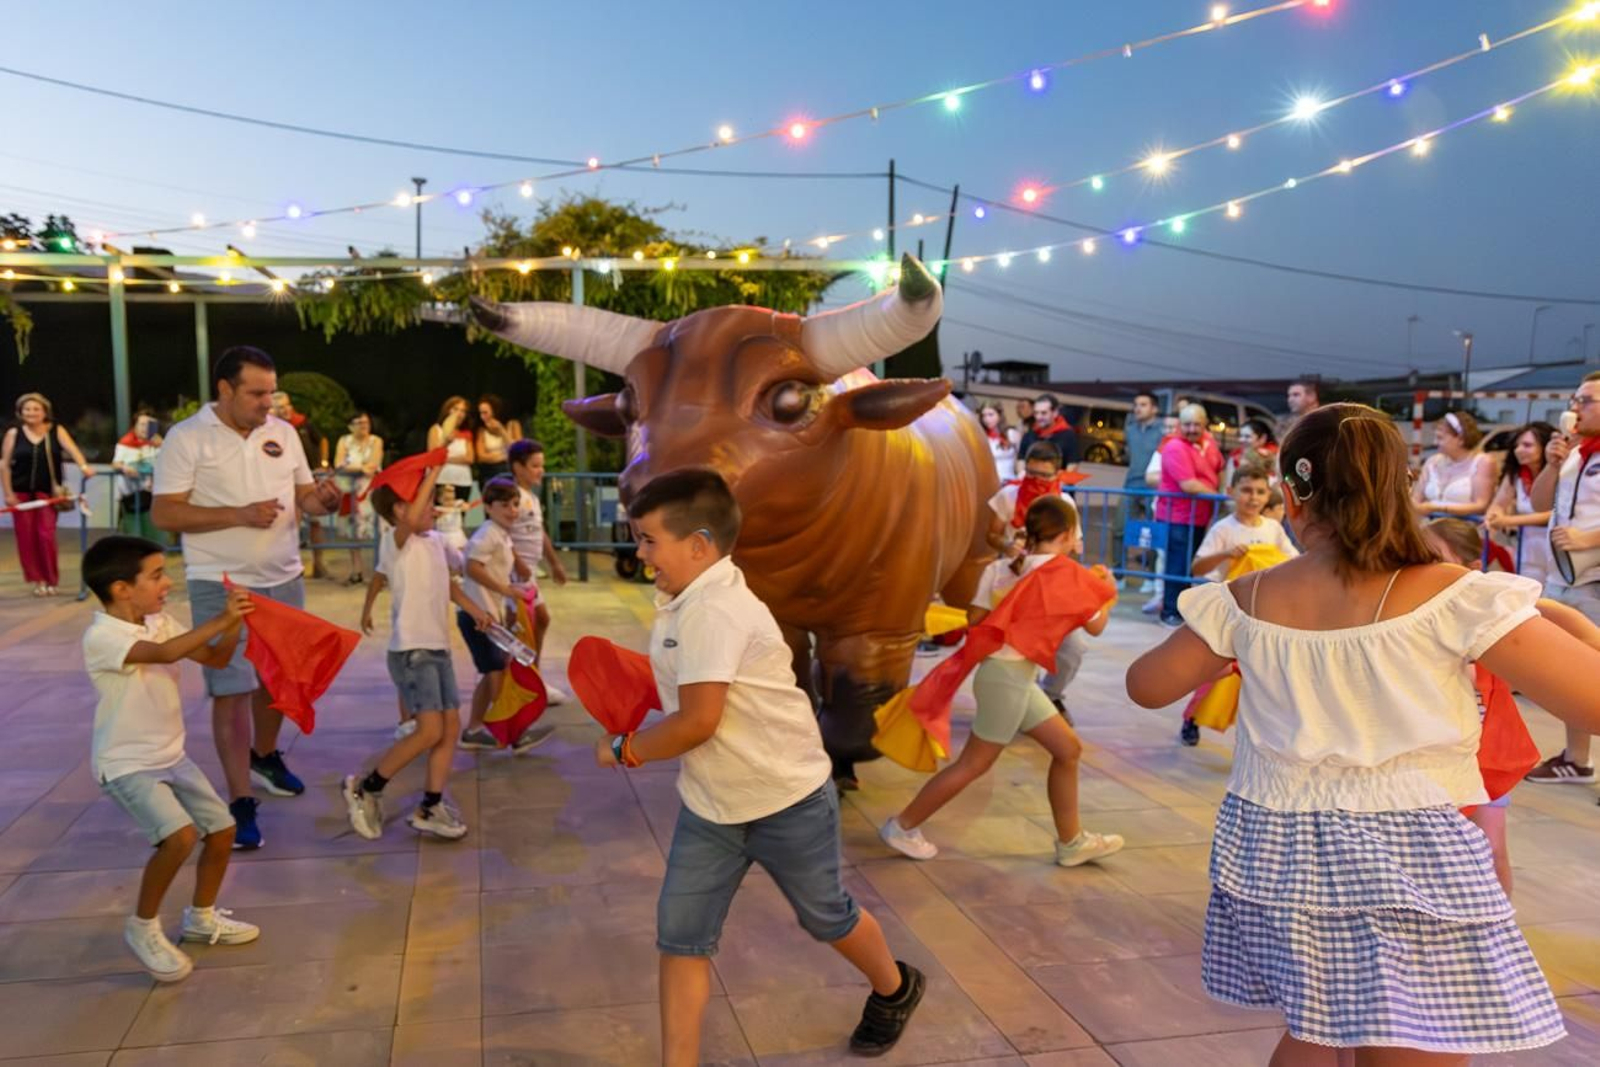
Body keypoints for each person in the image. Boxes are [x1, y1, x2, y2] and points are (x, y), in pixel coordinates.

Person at [1127, 403, 1600, 1062]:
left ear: (1292, 497)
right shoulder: (1455, 595)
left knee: (1317, 1024)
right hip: (1409, 854)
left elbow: (1146, 684)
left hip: (1277, 852)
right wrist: (1574, 628)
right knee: (1415, 1034)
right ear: (1400, 491)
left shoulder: (1247, 598)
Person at [593, 468, 926, 1061]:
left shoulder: (714, 610)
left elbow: (698, 722)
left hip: (787, 801)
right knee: (682, 937)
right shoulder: (689, 598)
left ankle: (895, 988)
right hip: (712, 805)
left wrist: (624, 748)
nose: (639, 553)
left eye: (649, 540)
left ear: (699, 546)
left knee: (827, 918)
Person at [152, 346, 344, 850]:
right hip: (220, 581)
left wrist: (322, 501)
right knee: (231, 688)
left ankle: (265, 755)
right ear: (225, 389)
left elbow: (303, 497)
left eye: (271, 392)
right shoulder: (187, 437)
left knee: (277, 679)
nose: (268, 403)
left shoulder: (283, 433)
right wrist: (237, 515)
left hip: (283, 576)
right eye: (257, 393)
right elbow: (165, 513)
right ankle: (239, 799)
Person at [881, 495, 1123, 866]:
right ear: (1067, 534)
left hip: (1007, 675)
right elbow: (1097, 626)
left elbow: (976, 619)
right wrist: (1107, 590)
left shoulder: (1005, 568)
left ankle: (1072, 842)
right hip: (1008, 680)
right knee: (973, 764)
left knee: (1067, 749)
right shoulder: (1068, 574)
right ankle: (902, 826)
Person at [81, 536, 261, 982]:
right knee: (179, 837)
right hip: (126, 763)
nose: (167, 583)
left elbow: (215, 658)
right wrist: (222, 617)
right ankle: (142, 927)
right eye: (157, 575)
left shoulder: (159, 622)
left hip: (170, 754)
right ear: (122, 588)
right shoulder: (103, 636)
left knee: (222, 831)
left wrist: (235, 624)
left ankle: (201, 918)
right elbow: (163, 654)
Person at [345, 463, 491, 842]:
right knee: (429, 730)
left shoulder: (435, 542)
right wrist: (433, 470)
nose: (432, 507)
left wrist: (475, 610)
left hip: (437, 649)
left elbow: (449, 584)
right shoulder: (397, 541)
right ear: (400, 510)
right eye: (424, 501)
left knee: (449, 728)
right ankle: (367, 787)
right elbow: (391, 556)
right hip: (413, 652)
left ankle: (430, 805)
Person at [1178, 465, 1300, 746]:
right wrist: (1225, 554)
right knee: (1215, 672)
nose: (1253, 498)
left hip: (1263, 615)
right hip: (1229, 613)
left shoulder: (1273, 529)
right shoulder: (1223, 529)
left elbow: (1292, 561)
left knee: (1259, 677)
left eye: (1260, 492)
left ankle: (1257, 731)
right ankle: (1192, 718)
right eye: (1246, 490)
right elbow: (1197, 567)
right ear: (1231, 492)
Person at [1524, 371, 1600, 786]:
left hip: (1594, 576)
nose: (1576, 408)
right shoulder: (1574, 453)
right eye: (1576, 400)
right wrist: (1552, 466)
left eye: (1587, 400)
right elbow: (1540, 503)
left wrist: (1589, 538)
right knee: (1577, 673)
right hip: (1566, 575)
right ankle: (1577, 759)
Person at [983, 442, 1083, 718]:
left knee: (1073, 648)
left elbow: (1075, 546)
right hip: (1013, 584)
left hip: (1051, 587)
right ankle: (1021, 702)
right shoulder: (1008, 495)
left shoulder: (1065, 503)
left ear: (1057, 474)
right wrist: (1007, 546)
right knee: (1017, 653)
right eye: (1031, 473)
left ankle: (1051, 696)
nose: (1036, 480)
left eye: (1044, 475)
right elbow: (991, 534)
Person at [455, 479, 544, 751]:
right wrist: (505, 589)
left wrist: (509, 595)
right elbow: (472, 567)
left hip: (489, 616)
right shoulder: (488, 534)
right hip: (478, 617)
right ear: (488, 507)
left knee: (491, 671)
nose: (512, 510)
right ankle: (514, 734)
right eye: (504, 505)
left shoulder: (501, 534)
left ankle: (473, 730)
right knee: (497, 674)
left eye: (515, 504)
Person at [2, 392, 95, 596]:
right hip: (21, 493)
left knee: (45, 534)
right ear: (20, 412)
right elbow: (5, 465)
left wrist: (84, 466)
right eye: (27, 409)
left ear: (45, 412)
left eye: (36, 409)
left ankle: (51, 579)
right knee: (26, 537)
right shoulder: (13, 434)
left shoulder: (56, 431)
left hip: (48, 492)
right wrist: (8, 493)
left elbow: (73, 450)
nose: (31, 412)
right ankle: (38, 581)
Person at [1155, 404, 1224, 627]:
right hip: (1177, 516)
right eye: (1187, 424)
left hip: (1199, 516)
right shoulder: (1174, 447)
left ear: (1205, 424)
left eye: (1197, 424)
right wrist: (1223, 498)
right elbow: (1189, 485)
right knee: (1177, 565)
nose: (1192, 429)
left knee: (1188, 565)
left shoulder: (1209, 443)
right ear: (1179, 425)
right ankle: (1170, 611)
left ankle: (1183, 609)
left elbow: (1219, 467)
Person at [505, 440, 569, 672]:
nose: (541, 470)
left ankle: (532, 672)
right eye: (535, 466)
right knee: (517, 626)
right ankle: (513, 677)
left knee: (540, 620)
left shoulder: (531, 497)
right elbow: (502, 534)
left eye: (541, 465)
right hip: (515, 574)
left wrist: (554, 563)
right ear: (518, 467)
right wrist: (517, 562)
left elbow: (539, 532)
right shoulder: (513, 498)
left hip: (529, 572)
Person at [1484, 421, 1555, 587]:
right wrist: (1494, 515)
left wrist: (1509, 520)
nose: (1519, 450)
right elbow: (1498, 503)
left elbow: (1555, 513)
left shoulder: (1559, 472)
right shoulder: (1516, 473)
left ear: (1546, 446)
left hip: (1554, 548)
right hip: (1527, 548)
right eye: (1517, 445)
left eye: (1527, 445)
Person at [271, 391, 332, 580]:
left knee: (315, 523)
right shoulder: (270, 429)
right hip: (285, 482)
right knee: (291, 523)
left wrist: (323, 462)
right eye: (279, 407)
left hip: (309, 479)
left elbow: (322, 440)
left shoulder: (303, 423)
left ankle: (319, 563)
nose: (285, 410)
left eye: (286, 405)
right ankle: (292, 564)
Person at [1412, 411, 1496, 518]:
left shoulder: (1482, 462)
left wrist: (1437, 508)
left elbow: (1481, 505)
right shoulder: (1432, 462)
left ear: (1460, 439)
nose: (1435, 442)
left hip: (1464, 525)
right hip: (1429, 524)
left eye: (1440, 438)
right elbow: (1416, 499)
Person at [333, 413, 384, 585]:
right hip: (350, 490)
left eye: (366, 422)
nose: (364, 425)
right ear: (350, 426)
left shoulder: (376, 441)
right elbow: (339, 464)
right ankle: (357, 569)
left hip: (371, 490)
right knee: (352, 530)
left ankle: (380, 571)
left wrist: (354, 467)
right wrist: (362, 468)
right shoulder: (344, 441)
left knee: (377, 530)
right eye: (359, 422)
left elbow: (373, 465)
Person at [113, 412, 163, 540]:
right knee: (132, 532)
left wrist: (163, 445)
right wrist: (125, 468)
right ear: (134, 425)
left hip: (151, 493)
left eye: (149, 425)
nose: (145, 428)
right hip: (130, 494)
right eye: (142, 424)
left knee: (152, 532)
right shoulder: (125, 442)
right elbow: (115, 463)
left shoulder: (155, 443)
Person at [1015, 393, 1079, 474]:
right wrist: (1022, 475)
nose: (1038, 417)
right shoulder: (1029, 435)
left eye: (1043, 413)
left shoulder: (1068, 436)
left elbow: (1072, 465)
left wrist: (1059, 480)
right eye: (1036, 413)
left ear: (1055, 413)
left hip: (1056, 481)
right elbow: (1021, 460)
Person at [427, 396, 475, 493]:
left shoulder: (466, 433)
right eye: (455, 409)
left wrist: (445, 458)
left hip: (462, 481)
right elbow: (433, 455)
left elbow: (470, 458)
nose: (459, 413)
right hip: (440, 479)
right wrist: (446, 444)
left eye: (463, 411)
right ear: (447, 410)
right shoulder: (436, 429)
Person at [473, 394, 521, 483]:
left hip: (509, 471)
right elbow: (481, 457)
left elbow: (517, 450)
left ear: (495, 411)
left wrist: (502, 431)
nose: (482, 417)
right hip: (489, 472)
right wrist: (504, 456)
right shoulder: (481, 430)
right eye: (480, 413)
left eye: (485, 413)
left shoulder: (513, 424)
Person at [1225, 418, 1280, 485]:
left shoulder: (1275, 456)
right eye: (1241, 436)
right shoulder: (1235, 456)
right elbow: (1229, 484)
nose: (1241, 440)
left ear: (1263, 438)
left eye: (1247, 436)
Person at [976, 402, 1017, 483]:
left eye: (991, 415)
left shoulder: (1011, 433)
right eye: (984, 416)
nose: (987, 419)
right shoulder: (980, 436)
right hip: (988, 481)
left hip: (1009, 480)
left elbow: (1020, 458)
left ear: (999, 415)